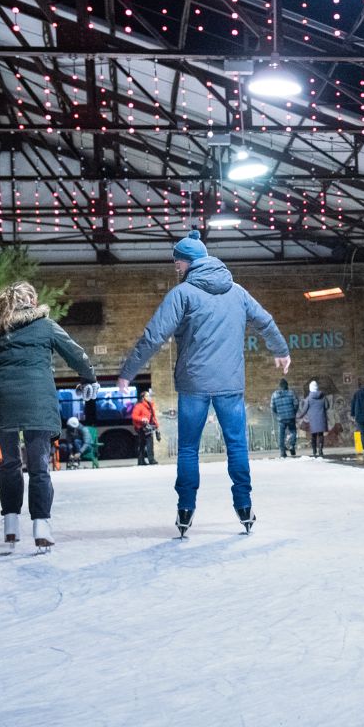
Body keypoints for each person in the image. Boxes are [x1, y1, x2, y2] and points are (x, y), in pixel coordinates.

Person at [117, 230, 289, 537]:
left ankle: (185, 508)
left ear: (189, 262)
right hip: (230, 384)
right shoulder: (237, 292)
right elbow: (265, 320)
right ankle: (244, 505)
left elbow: (154, 335)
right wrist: (280, 350)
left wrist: (128, 372)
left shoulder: (182, 294)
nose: (176, 269)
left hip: (194, 384)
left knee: (187, 449)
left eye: (178, 263)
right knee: (237, 445)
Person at [0, 282, 97, 552]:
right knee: (39, 466)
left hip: (1, 401)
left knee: (10, 464)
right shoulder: (46, 325)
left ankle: (11, 524)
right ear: (32, 300)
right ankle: (41, 526)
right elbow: (76, 354)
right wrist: (89, 378)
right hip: (37, 401)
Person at [299, 381, 330, 458]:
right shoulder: (323, 396)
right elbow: (327, 406)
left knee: (313, 435)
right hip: (321, 418)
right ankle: (320, 450)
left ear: (310, 388)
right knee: (320, 435)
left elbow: (304, 410)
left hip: (313, 420)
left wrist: (299, 416)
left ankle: (314, 451)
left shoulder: (308, 399)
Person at [270, 380, 299, 458]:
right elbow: (296, 404)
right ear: (287, 385)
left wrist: (278, 413)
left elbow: (272, 407)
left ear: (279, 386)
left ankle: (282, 452)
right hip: (291, 417)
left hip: (281, 418)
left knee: (281, 435)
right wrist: (294, 412)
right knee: (293, 431)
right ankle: (292, 445)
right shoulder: (291, 393)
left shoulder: (274, 395)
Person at [132, 390, 160, 466]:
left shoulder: (150, 405)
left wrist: (157, 425)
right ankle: (146, 460)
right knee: (145, 443)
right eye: (147, 396)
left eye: (149, 396)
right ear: (143, 398)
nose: (149, 397)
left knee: (146, 443)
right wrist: (142, 419)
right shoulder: (139, 406)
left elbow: (153, 417)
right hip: (141, 427)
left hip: (149, 427)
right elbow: (134, 416)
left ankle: (145, 460)